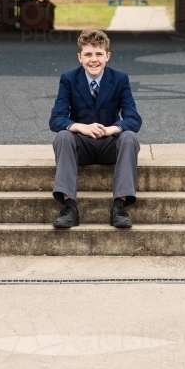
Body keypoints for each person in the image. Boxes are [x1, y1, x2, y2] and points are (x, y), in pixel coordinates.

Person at [49, 28, 142, 229]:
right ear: (80, 57)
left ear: (107, 56)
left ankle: (119, 206)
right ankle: (69, 206)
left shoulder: (120, 79)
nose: (94, 60)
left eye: (99, 54)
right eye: (88, 54)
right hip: (81, 146)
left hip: (109, 145)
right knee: (63, 136)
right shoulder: (68, 79)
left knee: (129, 137)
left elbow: (134, 119)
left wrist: (112, 129)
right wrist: (79, 127)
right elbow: (56, 119)